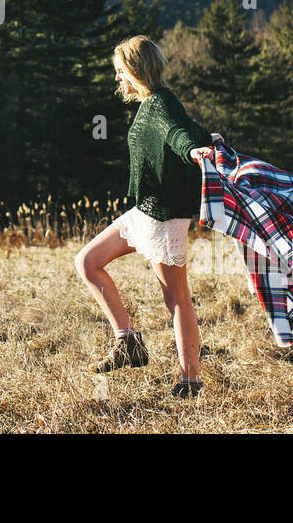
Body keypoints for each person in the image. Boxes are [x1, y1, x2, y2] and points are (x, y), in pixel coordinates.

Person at [74, 35, 214, 397]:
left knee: (177, 299)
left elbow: (177, 133)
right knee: (88, 261)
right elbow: (187, 128)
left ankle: (190, 381)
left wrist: (193, 148)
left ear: (136, 70)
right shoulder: (154, 102)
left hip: (164, 218)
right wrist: (207, 139)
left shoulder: (160, 104)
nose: (117, 78)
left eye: (120, 71)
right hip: (145, 211)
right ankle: (129, 342)